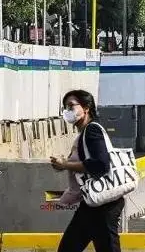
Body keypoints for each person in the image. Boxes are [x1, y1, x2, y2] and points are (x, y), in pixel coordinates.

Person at [50, 90, 123, 252]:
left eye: (71, 106)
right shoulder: (84, 133)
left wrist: (66, 165)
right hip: (92, 202)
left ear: (86, 108)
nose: (67, 111)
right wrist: (64, 163)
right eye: (65, 107)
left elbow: (101, 164)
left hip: (104, 203)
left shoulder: (92, 130)